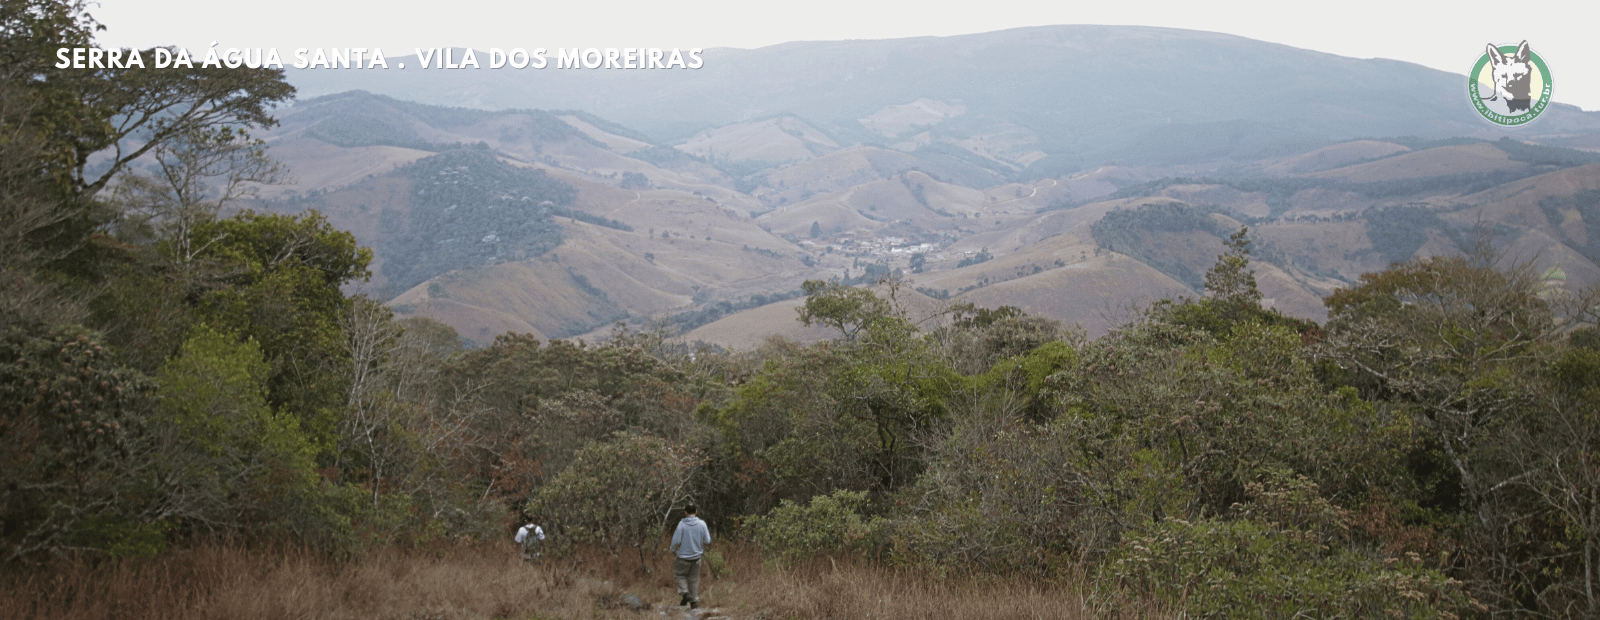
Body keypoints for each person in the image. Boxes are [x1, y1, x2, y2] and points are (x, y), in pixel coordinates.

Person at [670, 504, 712, 609]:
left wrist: (673, 550)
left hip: (682, 557)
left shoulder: (681, 524)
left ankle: (684, 593)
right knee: (694, 579)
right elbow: (707, 540)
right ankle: (693, 602)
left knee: (680, 575)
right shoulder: (702, 524)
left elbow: (676, 541)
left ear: (685, 513)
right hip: (697, 557)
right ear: (696, 512)